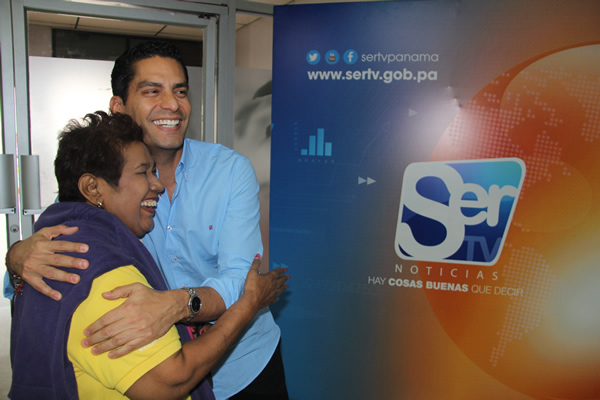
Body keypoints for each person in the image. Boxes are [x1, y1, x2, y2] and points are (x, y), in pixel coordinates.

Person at [5, 41, 289, 400]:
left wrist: (175, 304)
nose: (172, 104)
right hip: (158, 363)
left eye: (180, 91)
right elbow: (58, 246)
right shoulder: (105, 184)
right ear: (119, 106)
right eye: (152, 91)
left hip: (244, 365)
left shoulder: (229, 170)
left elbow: (240, 278)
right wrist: (15, 257)